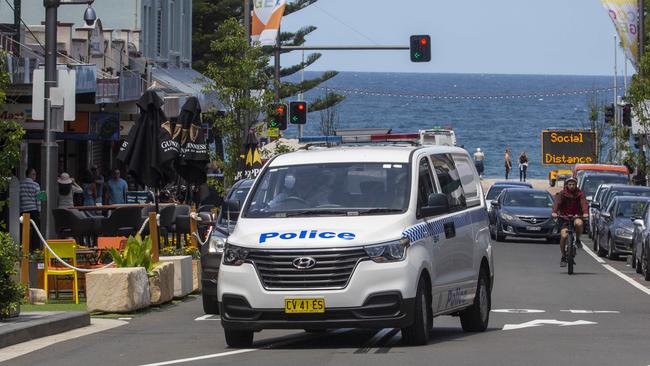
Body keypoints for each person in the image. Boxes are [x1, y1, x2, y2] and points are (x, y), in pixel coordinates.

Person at [551, 177, 589, 267]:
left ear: (576, 185)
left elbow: (584, 203)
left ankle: (578, 240)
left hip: (576, 216)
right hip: (564, 218)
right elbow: (557, 203)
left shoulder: (580, 194)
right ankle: (563, 256)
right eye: (570, 184)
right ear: (567, 185)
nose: (572, 186)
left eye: (573, 184)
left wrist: (585, 213)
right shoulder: (562, 194)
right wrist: (554, 212)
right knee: (564, 236)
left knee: (579, 223)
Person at [20, 168, 41, 251]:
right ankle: (35, 249)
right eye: (33, 174)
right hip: (34, 210)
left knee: (24, 230)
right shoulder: (36, 185)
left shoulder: (20, 184)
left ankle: (24, 249)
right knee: (36, 230)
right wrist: (39, 211)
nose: (35, 176)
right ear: (28, 174)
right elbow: (39, 200)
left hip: (23, 210)